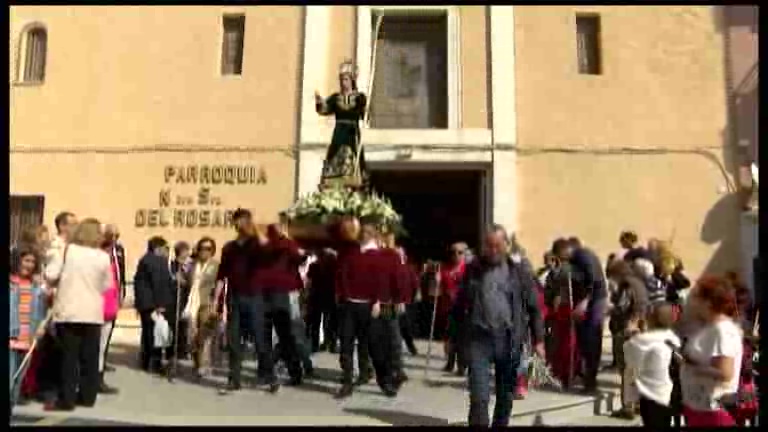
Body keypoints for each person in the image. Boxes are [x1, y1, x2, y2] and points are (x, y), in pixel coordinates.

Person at [452, 225, 545, 426]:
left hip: (508, 338)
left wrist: (539, 340)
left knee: (505, 395)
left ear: (506, 245)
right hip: (479, 338)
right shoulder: (473, 270)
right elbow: (460, 304)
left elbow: (534, 307)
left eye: (497, 246)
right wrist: (450, 336)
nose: (493, 251)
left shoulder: (519, 273)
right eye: (489, 246)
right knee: (479, 396)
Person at [44, 218, 112, 411]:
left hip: (69, 311)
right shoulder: (103, 257)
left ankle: (66, 399)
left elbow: (51, 274)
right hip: (92, 312)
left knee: (69, 357)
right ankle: (88, 397)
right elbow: (107, 285)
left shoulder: (67, 251)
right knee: (89, 357)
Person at [214, 209, 277, 394]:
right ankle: (234, 380)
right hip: (235, 298)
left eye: (245, 221)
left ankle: (270, 377)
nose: (241, 225)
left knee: (260, 340)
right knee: (234, 341)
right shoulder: (229, 248)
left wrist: (257, 231)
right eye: (238, 222)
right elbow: (221, 275)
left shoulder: (257, 245)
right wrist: (214, 300)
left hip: (255, 298)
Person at [678, 275, 743, 427]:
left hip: (712, 412)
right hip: (700, 408)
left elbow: (725, 373)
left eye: (695, 296)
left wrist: (691, 366)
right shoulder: (711, 328)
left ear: (708, 303)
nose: (691, 301)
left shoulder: (722, 331)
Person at [256, 222, 311, 386]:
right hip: (269, 293)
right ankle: (271, 371)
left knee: (282, 335)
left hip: (276, 293)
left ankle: (290, 371)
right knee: (276, 335)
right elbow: (299, 258)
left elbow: (299, 258)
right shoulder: (277, 245)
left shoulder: (284, 245)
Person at [334, 221, 380, 399]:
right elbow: (341, 273)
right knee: (345, 341)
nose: (364, 234)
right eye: (362, 231)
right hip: (349, 303)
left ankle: (364, 371)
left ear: (374, 235)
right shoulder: (350, 251)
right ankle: (347, 380)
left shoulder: (376, 254)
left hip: (367, 304)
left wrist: (377, 302)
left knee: (364, 342)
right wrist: (340, 293)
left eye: (368, 232)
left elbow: (379, 279)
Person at [623, 303, 681, 428]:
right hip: (669, 394)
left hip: (652, 397)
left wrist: (630, 328)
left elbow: (628, 356)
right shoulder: (673, 339)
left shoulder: (645, 342)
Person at [315, 59, 369, 189]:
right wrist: (319, 102)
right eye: (341, 80)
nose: (343, 82)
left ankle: (356, 178)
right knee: (335, 153)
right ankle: (331, 178)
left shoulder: (359, 97)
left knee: (354, 155)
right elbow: (325, 110)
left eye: (346, 79)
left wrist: (366, 109)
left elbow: (364, 115)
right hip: (339, 130)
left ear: (352, 81)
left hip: (352, 131)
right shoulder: (335, 97)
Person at [606, 260, 649, 420]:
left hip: (627, 329)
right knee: (636, 369)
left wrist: (610, 308)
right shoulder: (639, 284)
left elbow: (622, 307)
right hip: (640, 330)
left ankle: (627, 407)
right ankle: (637, 404)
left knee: (626, 369)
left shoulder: (627, 286)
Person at [567, 236, 608, 393]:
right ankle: (589, 379)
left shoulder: (582, 255)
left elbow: (593, 278)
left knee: (591, 340)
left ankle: (590, 382)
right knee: (588, 340)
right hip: (594, 301)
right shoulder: (581, 256)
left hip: (594, 301)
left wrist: (584, 301)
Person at [9, 247, 49, 406]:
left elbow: (42, 310)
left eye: (33, 262)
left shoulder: (36, 286)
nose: (30, 265)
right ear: (17, 261)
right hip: (11, 338)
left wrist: (41, 327)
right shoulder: (11, 283)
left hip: (28, 339)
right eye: (26, 260)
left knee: (17, 383)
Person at [133, 236, 176, 374]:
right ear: (158, 248)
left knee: (147, 333)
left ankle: (145, 362)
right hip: (153, 304)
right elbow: (159, 284)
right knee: (155, 334)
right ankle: (154, 364)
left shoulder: (145, 259)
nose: (167, 251)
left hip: (145, 303)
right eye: (165, 248)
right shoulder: (158, 261)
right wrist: (160, 304)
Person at [182, 237, 220, 379]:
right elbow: (186, 281)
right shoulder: (193, 265)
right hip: (192, 304)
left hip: (207, 303)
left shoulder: (216, 266)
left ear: (212, 251)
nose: (205, 251)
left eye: (209, 248)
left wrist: (217, 304)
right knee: (193, 334)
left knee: (205, 335)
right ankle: (197, 364)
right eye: (202, 248)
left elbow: (220, 284)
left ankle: (206, 364)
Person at [97, 226, 120, 395]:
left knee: (102, 347)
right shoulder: (99, 261)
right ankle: (93, 380)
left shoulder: (113, 259)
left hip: (109, 308)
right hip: (98, 308)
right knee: (96, 347)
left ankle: (98, 379)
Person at [101, 225, 125, 374]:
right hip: (103, 297)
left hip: (115, 294)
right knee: (101, 335)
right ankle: (99, 365)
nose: (114, 238)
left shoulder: (119, 250)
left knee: (108, 331)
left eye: (117, 235)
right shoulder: (100, 250)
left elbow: (120, 272)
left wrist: (122, 292)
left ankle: (103, 359)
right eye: (112, 235)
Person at [441, 242, 468, 375]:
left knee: (461, 338)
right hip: (448, 307)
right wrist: (436, 281)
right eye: (453, 252)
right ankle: (450, 362)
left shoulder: (468, 270)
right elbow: (437, 290)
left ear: (465, 254)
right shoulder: (445, 269)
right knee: (450, 336)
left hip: (463, 308)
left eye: (459, 252)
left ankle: (462, 366)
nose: (456, 255)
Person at [306, 248, 339, 353]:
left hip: (316, 296)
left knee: (316, 322)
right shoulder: (334, 266)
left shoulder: (314, 266)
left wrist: (307, 294)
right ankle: (330, 343)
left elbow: (309, 282)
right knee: (330, 322)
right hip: (330, 296)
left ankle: (315, 344)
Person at [171, 241, 193, 359]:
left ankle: (184, 349)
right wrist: (176, 279)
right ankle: (177, 350)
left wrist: (184, 281)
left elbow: (190, 281)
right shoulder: (173, 264)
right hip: (176, 299)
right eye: (186, 251)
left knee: (186, 325)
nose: (188, 253)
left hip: (187, 298)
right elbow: (173, 278)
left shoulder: (191, 265)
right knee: (177, 325)